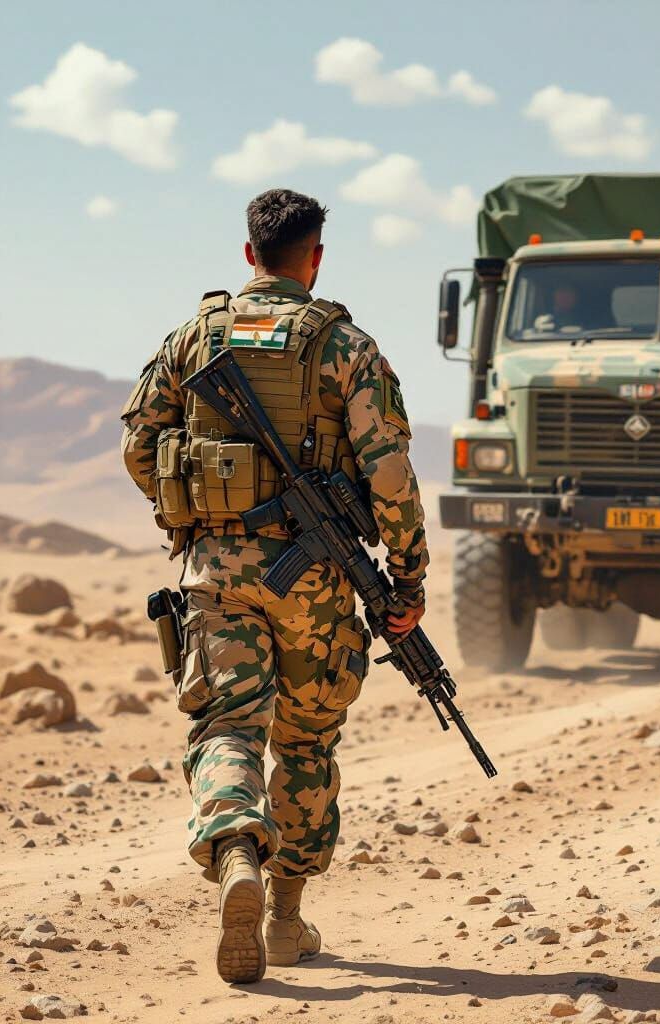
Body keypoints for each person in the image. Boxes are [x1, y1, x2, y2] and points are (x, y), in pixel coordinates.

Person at [120, 189, 429, 983]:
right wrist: (407, 577)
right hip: (315, 583)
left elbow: (139, 446)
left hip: (215, 571)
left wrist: (196, 511)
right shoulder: (345, 345)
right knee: (305, 742)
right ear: (314, 257)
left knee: (226, 725)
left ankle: (235, 856)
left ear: (249, 253)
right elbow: (389, 472)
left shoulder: (194, 337)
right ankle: (285, 919)